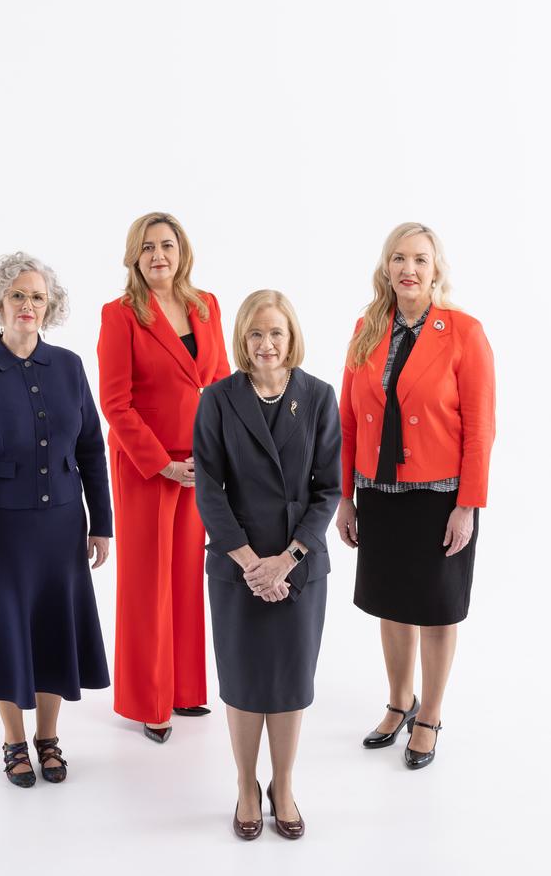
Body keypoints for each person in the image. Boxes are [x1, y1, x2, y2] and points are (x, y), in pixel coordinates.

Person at [0, 252, 112, 787]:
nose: (28, 305)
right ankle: (13, 741)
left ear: (51, 306)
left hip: (63, 528)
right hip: (2, 534)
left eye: (37, 296)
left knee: (52, 632)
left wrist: (101, 522)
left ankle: (49, 738)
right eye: (18, 295)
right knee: (6, 635)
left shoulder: (68, 366)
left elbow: (92, 448)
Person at [336, 222, 496, 768]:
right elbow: (348, 421)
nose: (409, 269)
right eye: (399, 258)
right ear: (386, 268)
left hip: (439, 497)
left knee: (436, 610)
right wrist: (345, 497)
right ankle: (399, 702)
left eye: (420, 260)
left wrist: (467, 505)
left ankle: (430, 715)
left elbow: (480, 427)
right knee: (391, 605)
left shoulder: (465, 332)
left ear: (436, 269)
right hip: (378, 492)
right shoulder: (366, 328)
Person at [193, 290, 341, 839]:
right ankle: (244, 785)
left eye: (276, 332)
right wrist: (253, 562)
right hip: (238, 566)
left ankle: (283, 784)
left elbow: (328, 490)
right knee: (242, 681)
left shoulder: (320, 396)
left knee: (288, 681)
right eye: (256, 333)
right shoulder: (218, 398)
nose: (266, 344)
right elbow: (209, 489)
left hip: (299, 566)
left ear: (291, 336)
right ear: (242, 338)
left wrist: (288, 559)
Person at [97, 212, 230, 743]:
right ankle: (148, 700)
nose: (159, 255)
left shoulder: (207, 306)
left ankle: (183, 689)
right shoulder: (120, 314)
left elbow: (219, 384)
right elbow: (116, 402)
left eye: (167, 245)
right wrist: (163, 462)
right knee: (147, 580)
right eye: (148, 247)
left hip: (198, 464)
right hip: (146, 464)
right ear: (135, 256)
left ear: (183, 252)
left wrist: (214, 454)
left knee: (184, 575)